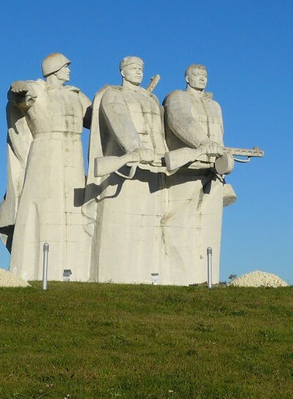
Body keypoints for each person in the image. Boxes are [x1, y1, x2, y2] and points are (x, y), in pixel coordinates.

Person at [0, 53, 91, 281]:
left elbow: (96, 119)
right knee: (42, 203)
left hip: (73, 152)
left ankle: (74, 269)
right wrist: (17, 89)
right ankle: (32, 267)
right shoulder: (37, 89)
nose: (69, 70)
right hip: (45, 151)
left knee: (72, 208)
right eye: (65, 67)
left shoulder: (76, 95)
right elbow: (19, 96)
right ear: (54, 69)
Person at [86, 56, 167, 283]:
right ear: (123, 72)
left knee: (149, 226)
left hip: (153, 166)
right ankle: (110, 277)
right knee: (118, 225)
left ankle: (149, 277)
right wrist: (135, 148)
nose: (139, 72)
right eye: (134, 68)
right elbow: (119, 121)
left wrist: (165, 158)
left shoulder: (151, 99)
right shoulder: (114, 94)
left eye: (141, 68)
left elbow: (157, 132)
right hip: (125, 163)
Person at [162, 64, 233, 284]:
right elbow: (181, 121)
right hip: (186, 169)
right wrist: (203, 143)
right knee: (178, 223)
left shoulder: (215, 106)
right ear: (186, 77)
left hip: (212, 171)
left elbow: (219, 135)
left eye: (205, 76)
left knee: (209, 228)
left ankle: (205, 277)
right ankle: (177, 278)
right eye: (196, 75)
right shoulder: (177, 97)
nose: (201, 79)